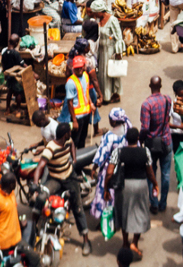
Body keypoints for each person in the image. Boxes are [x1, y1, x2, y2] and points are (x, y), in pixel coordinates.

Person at [33, 123, 92, 256]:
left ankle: (86, 240)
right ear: (65, 134)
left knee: (78, 208)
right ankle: (33, 229)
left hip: (70, 177)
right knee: (40, 198)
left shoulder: (68, 140)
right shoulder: (50, 149)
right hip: (55, 179)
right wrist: (35, 184)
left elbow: (72, 145)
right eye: (69, 132)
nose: (71, 134)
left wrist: (74, 159)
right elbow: (40, 167)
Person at [105, 128, 158, 258]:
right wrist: (155, 184)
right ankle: (134, 242)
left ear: (126, 139)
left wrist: (106, 189)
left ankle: (124, 243)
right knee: (139, 213)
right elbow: (150, 171)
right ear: (138, 139)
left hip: (124, 187)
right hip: (140, 185)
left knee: (124, 213)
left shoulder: (119, 151)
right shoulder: (145, 151)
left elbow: (109, 172)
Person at [90, 108, 131, 222]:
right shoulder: (128, 131)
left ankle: (105, 218)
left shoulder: (110, 136)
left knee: (105, 192)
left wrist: (94, 167)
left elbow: (102, 153)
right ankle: (118, 217)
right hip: (124, 169)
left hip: (110, 169)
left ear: (113, 122)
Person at [140, 76, 173, 214]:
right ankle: (163, 203)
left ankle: (154, 202)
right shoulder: (168, 99)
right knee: (165, 175)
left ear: (150, 86)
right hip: (166, 141)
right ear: (161, 86)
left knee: (151, 174)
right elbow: (168, 118)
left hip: (152, 144)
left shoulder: (147, 104)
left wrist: (140, 140)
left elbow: (145, 128)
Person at [61, 55, 95, 148]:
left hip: (86, 114)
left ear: (84, 66)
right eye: (77, 68)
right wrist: (74, 120)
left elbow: (86, 92)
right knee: (75, 141)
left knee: (82, 139)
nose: (79, 70)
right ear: (73, 68)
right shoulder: (70, 82)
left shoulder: (85, 76)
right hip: (77, 117)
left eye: (81, 67)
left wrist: (91, 103)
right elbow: (70, 102)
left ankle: (81, 158)